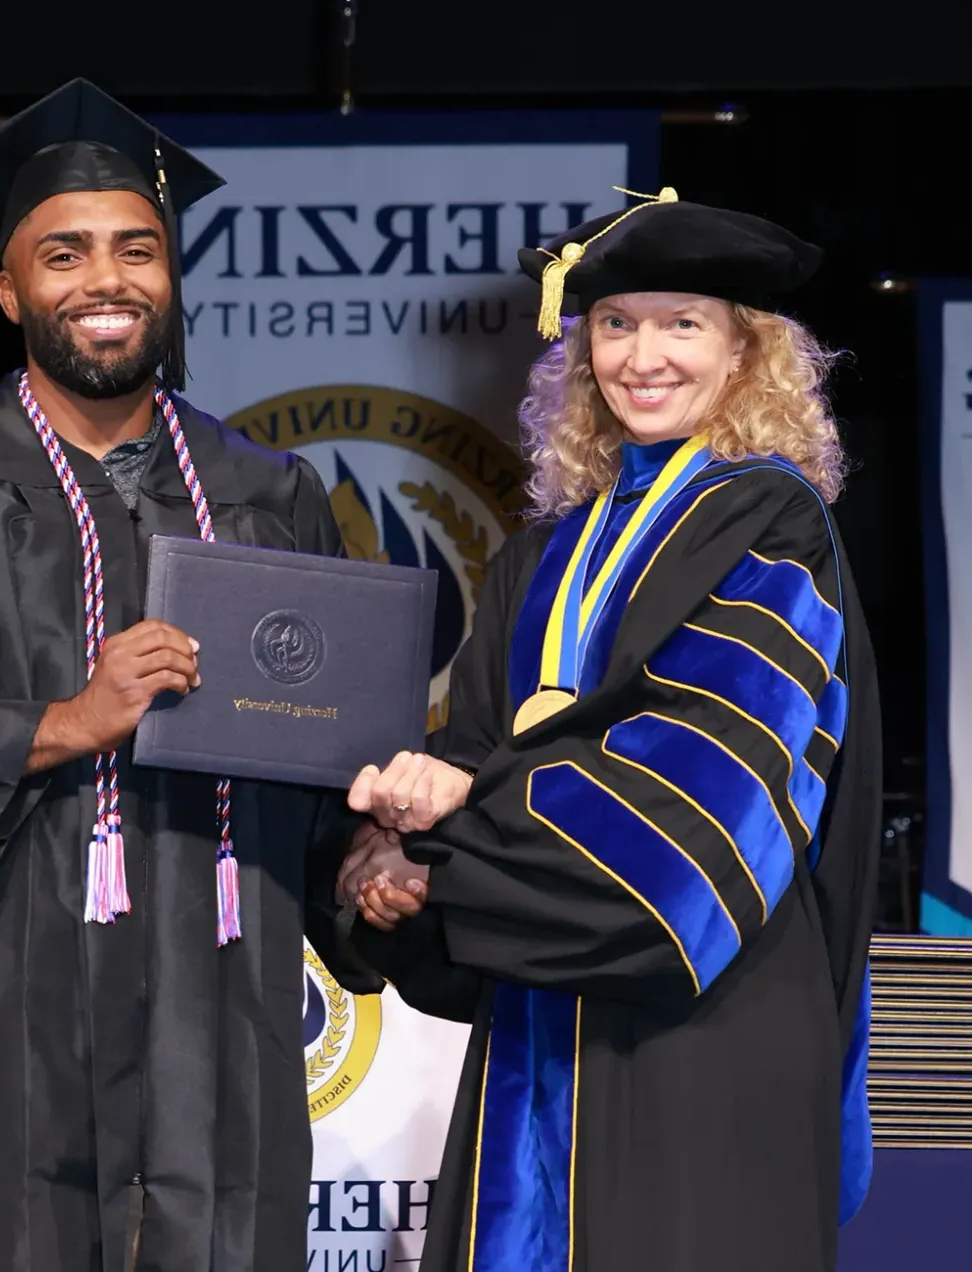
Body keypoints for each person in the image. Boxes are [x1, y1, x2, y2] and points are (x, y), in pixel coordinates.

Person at [0, 78, 371, 1272]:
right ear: (11, 289)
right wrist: (59, 724)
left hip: (222, 986)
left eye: (137, 250)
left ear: (172, 276)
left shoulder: (268, 490)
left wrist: (371, 855)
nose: (107, 280)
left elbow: (328, 743)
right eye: (66, 252)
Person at [335, 189, 881, 1272]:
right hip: (545, 1023)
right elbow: (474, 750)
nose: (645, 356)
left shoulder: (769, 522)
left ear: (745, 353)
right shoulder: (539, 558)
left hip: (706, 1019)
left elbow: (707, 782)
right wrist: (392, 865)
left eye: (684, 323)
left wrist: (466, 821)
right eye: (617, 323)